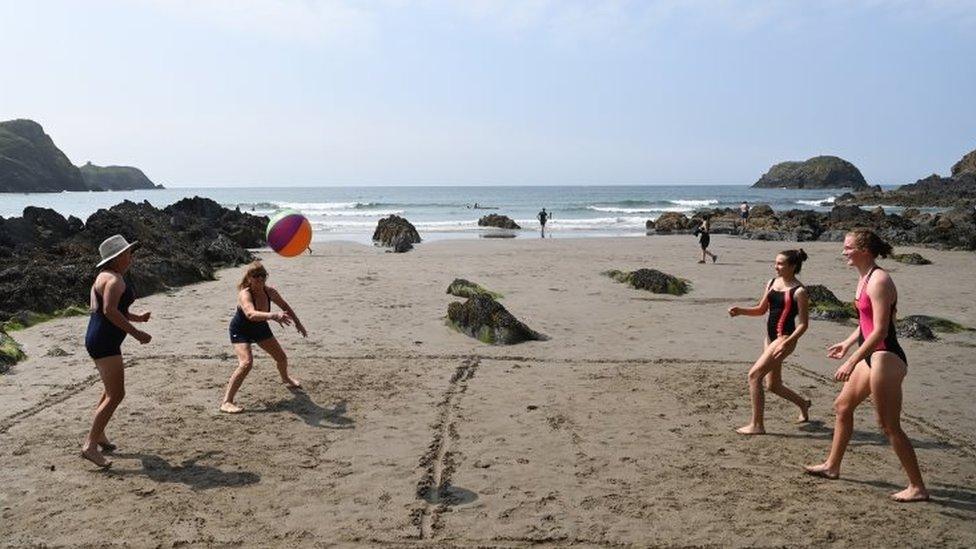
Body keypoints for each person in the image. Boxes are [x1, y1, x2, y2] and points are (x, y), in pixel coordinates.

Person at [805, 229, 929, 502]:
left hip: (886, 356)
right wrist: (847, 342)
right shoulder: (864, 277)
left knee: (888, 426)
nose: (844, 251)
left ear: (863, 250)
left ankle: (917, 487)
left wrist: (852, 360)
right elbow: (866, 323)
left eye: (848, 247)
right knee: (842, 407)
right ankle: (832, 466)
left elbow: (882, 330)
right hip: (870, 353)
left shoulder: (879, 280)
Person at [82, 235, 152, 468]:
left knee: (110, 390)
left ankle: (99, 435)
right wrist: (136, 334)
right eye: (128, 253)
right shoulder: (114, 280)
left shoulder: (103, 277)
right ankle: (90, 445)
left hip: (97, 338)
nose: (131, 257)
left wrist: (137, 318)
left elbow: (113, 310)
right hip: (105, 341)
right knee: (117, 394)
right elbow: (110, 311)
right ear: (118, 257)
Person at [728, 250, 812, 434]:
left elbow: (804, 324)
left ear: (793, 266)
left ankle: (757, 425)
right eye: (776, 263)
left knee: (754, 376)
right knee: (773, 385)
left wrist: (788, 341)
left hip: (784, 339)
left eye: (781, 264)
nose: (776, 267)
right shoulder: (772, 283)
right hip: (770, 338)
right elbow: (761, 309)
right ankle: (803, 404)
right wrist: (740, 310)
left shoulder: (799, 291)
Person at [220, 261, 307, 413]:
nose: (260, 279)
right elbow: (250, 314)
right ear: (249, 278)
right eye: (256, 276)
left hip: (260, 328)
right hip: (241, 329)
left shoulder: (270, 292)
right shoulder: (245, 294)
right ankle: (227, 402)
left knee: (281, 358)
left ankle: (285, 378)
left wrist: (298, 323)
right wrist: (273, 315)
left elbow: (285, 307)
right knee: (246, 363)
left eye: (263, 276)